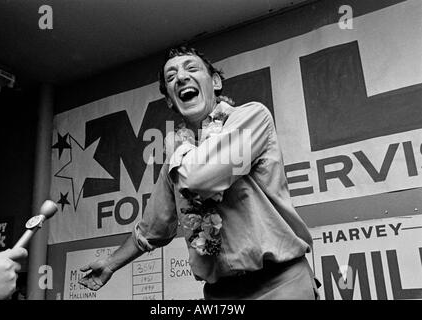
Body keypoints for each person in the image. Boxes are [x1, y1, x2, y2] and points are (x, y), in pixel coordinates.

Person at [79, 46, 319, 299]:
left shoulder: (252, 117)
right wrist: (110, 263)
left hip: (281, 283)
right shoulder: (177, 158)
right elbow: (154, 227)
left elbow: (202, 178)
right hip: (221, 294)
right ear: (171, 100)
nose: (181, 78)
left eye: (191, 69)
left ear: (215, 82)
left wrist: (176, 147)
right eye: (171, 77)